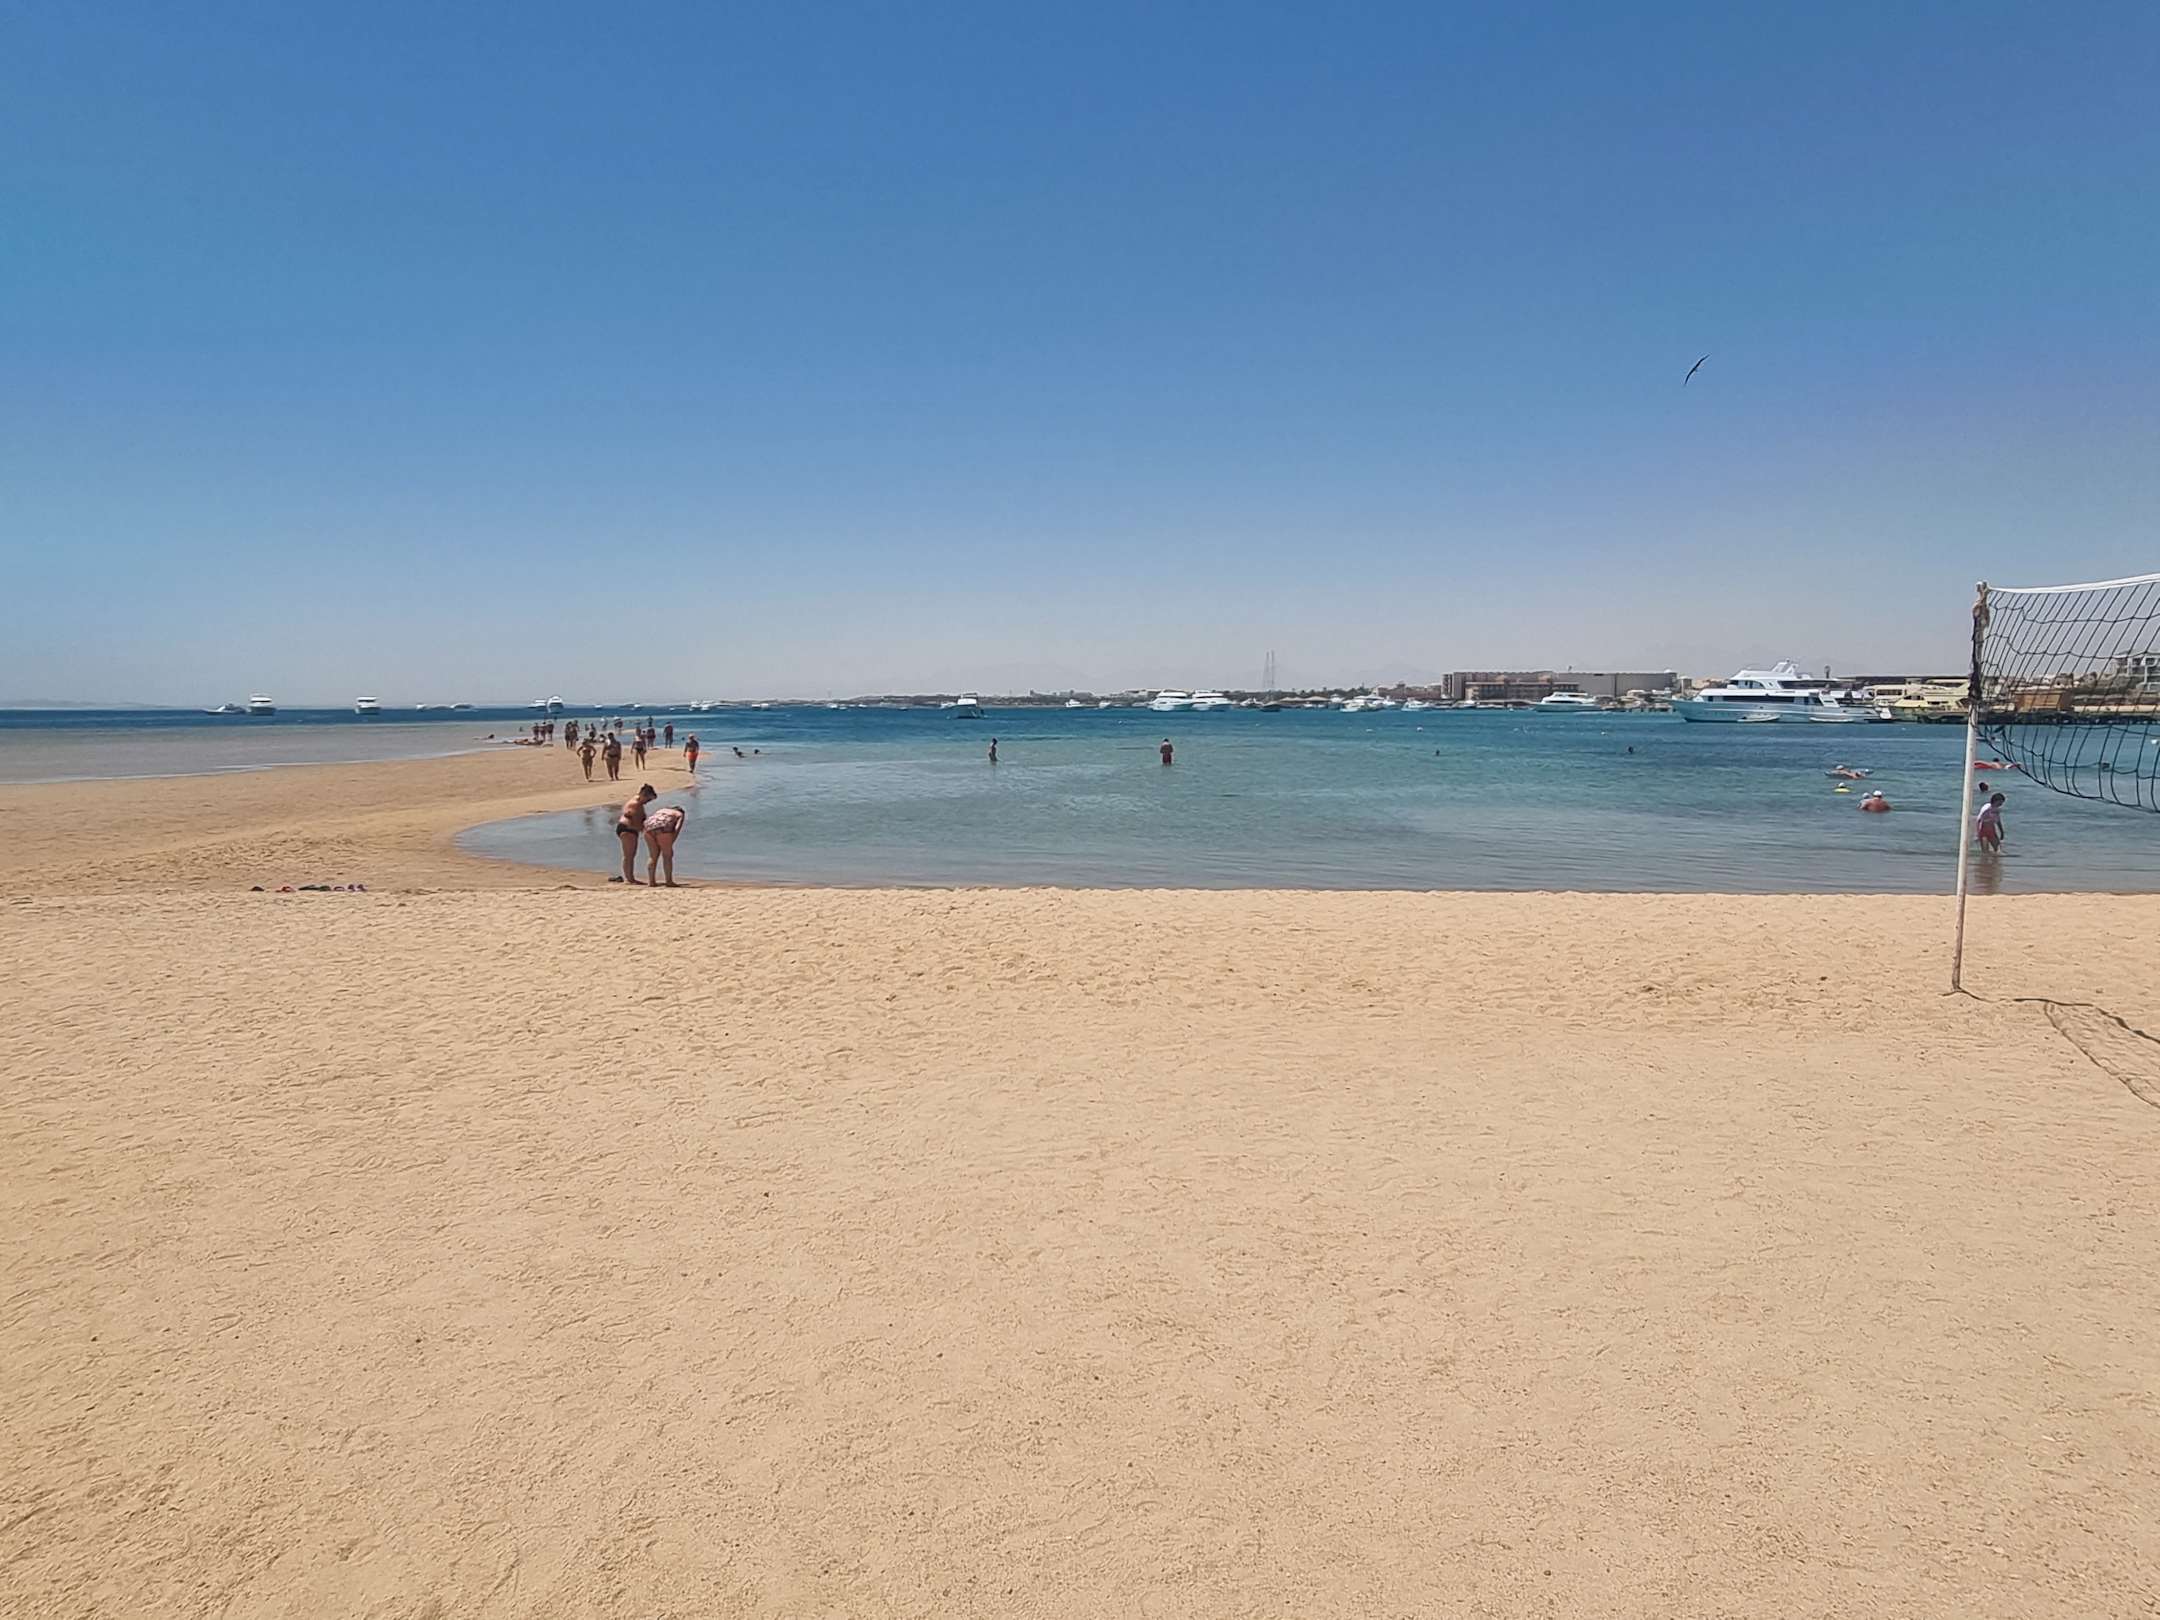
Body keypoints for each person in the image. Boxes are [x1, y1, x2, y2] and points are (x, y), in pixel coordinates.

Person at [614, 785, 655, 883]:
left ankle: (630, 877)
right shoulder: (634, 803)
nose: (647, 802)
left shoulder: (638, 803)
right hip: (627, 829)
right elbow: (631, 817)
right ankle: (629, 879)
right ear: (643, 795)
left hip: (630, 829)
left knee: (631, 855)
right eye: (648, 800)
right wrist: (641, 829)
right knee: (629, 855)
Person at [643, 802, 686, 886]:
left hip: (647, 827)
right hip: (663, 827)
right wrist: (671, 842)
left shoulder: (661, 810)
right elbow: (677, 828)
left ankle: (651, 882)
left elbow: (653, 820)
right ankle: (669, 881)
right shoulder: (680, 814)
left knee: (653, 856)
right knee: (667, 855)